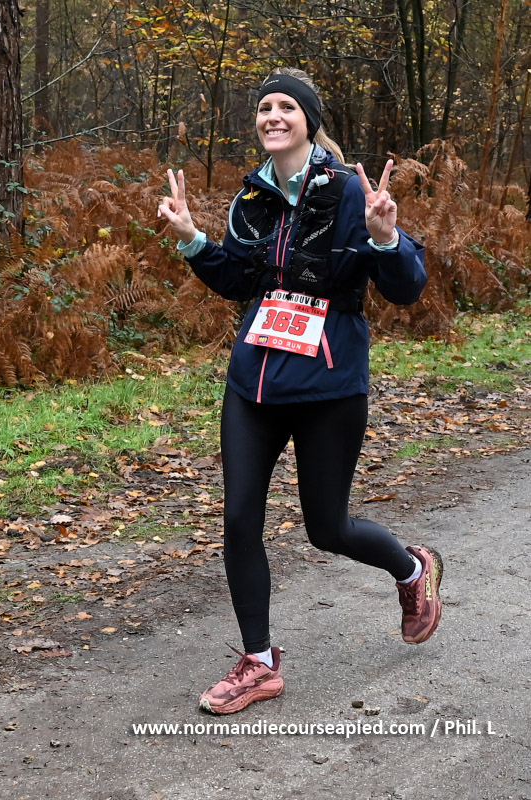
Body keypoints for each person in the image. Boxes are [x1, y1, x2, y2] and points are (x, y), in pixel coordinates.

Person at [158, 67, 443, 716]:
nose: (273, 116)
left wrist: (386, 238)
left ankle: (412, 570)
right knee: (239, 519)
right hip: (253, 382)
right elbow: (240, 281)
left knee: (327, 528)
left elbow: (407, 287)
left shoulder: (350, 192)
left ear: (309, 121)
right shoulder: (251, 199)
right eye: (265, 107)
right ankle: (258, 663)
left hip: (328, 387)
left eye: (287, 106)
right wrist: (192, 240)